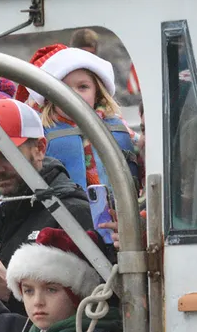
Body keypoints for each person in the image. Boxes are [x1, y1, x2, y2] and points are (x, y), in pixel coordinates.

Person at [0, 97, 104, 308]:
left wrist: (9, 292)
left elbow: (96, 310)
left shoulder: (73, 215)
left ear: (40, 148)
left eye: (7, 155)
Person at [22, 43, 142, 244]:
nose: (73, 94)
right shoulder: (38, 130)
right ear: (50, 94)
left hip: (116, 229)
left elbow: (147, 153)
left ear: (98, 92)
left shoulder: (118, 127)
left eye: (83, 87)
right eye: (64, 88)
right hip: (63, 227)